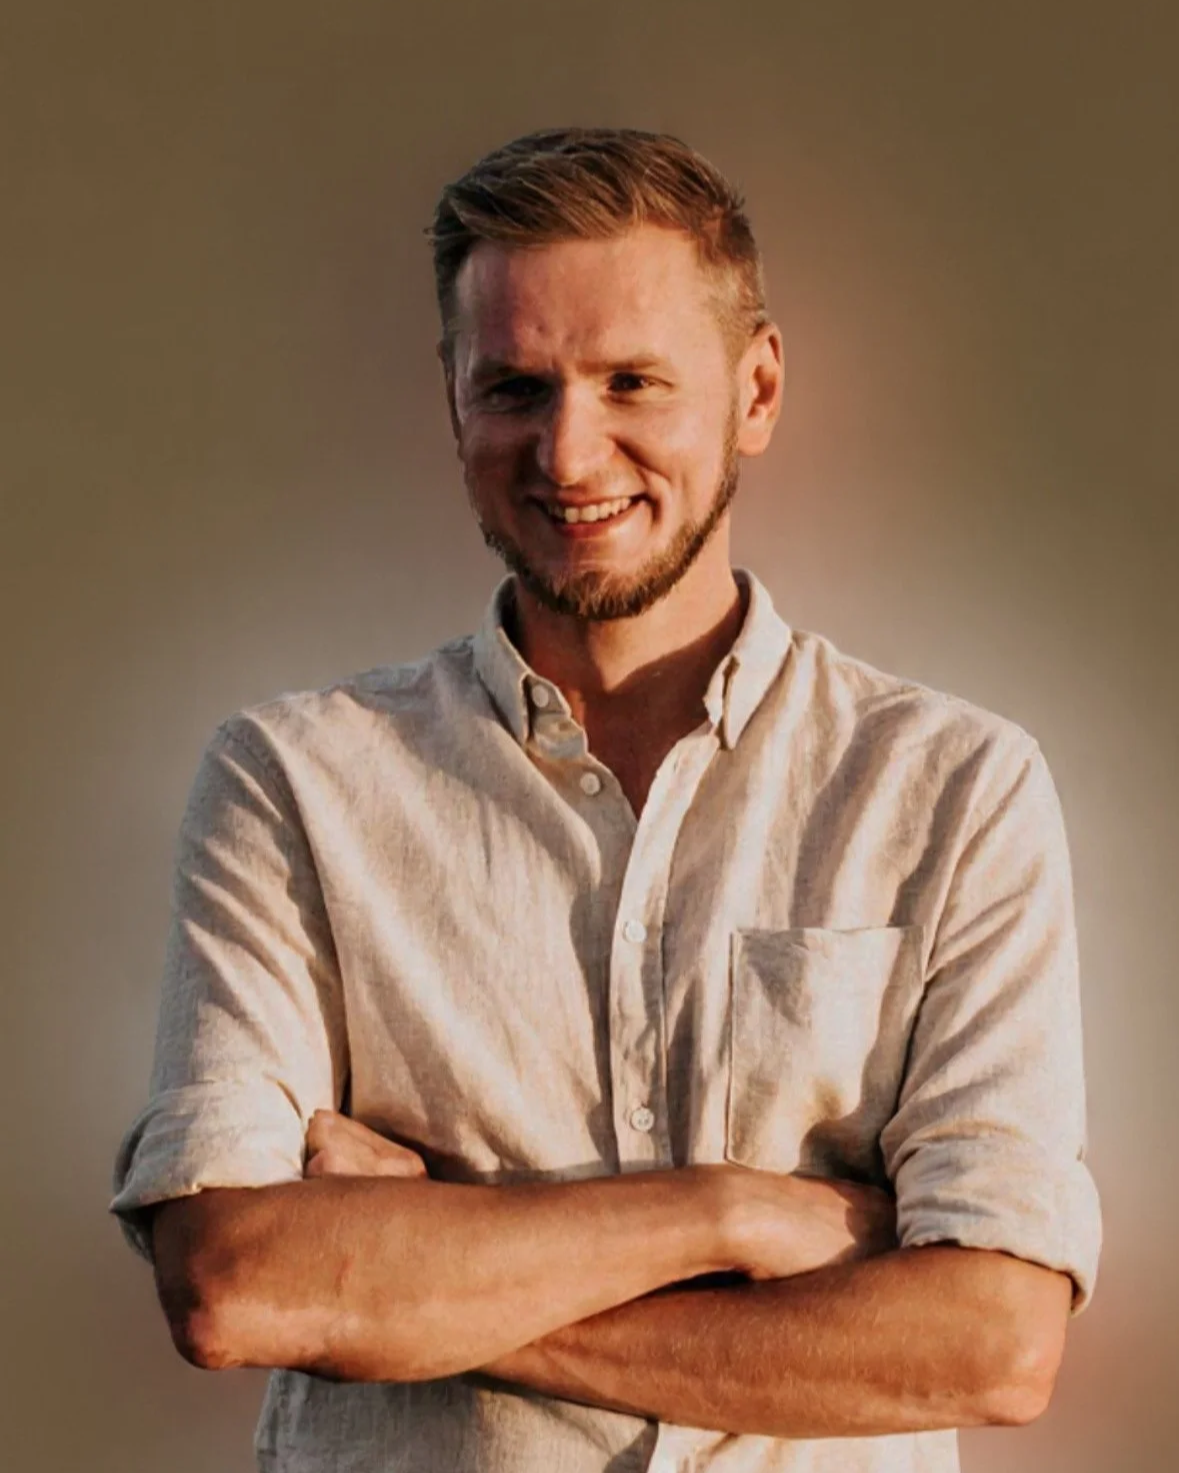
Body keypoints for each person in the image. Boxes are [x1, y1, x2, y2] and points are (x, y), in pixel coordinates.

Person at [111, 127, 1101, 1473]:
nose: (569, 456)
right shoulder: (295, 780)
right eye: (515, 387)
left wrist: (412, 1284)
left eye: (632, 382)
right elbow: (236, 1285)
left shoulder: (951, 788)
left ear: (755, 390)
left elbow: (989, 1343)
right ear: (449, 397)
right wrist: (736, 1216)